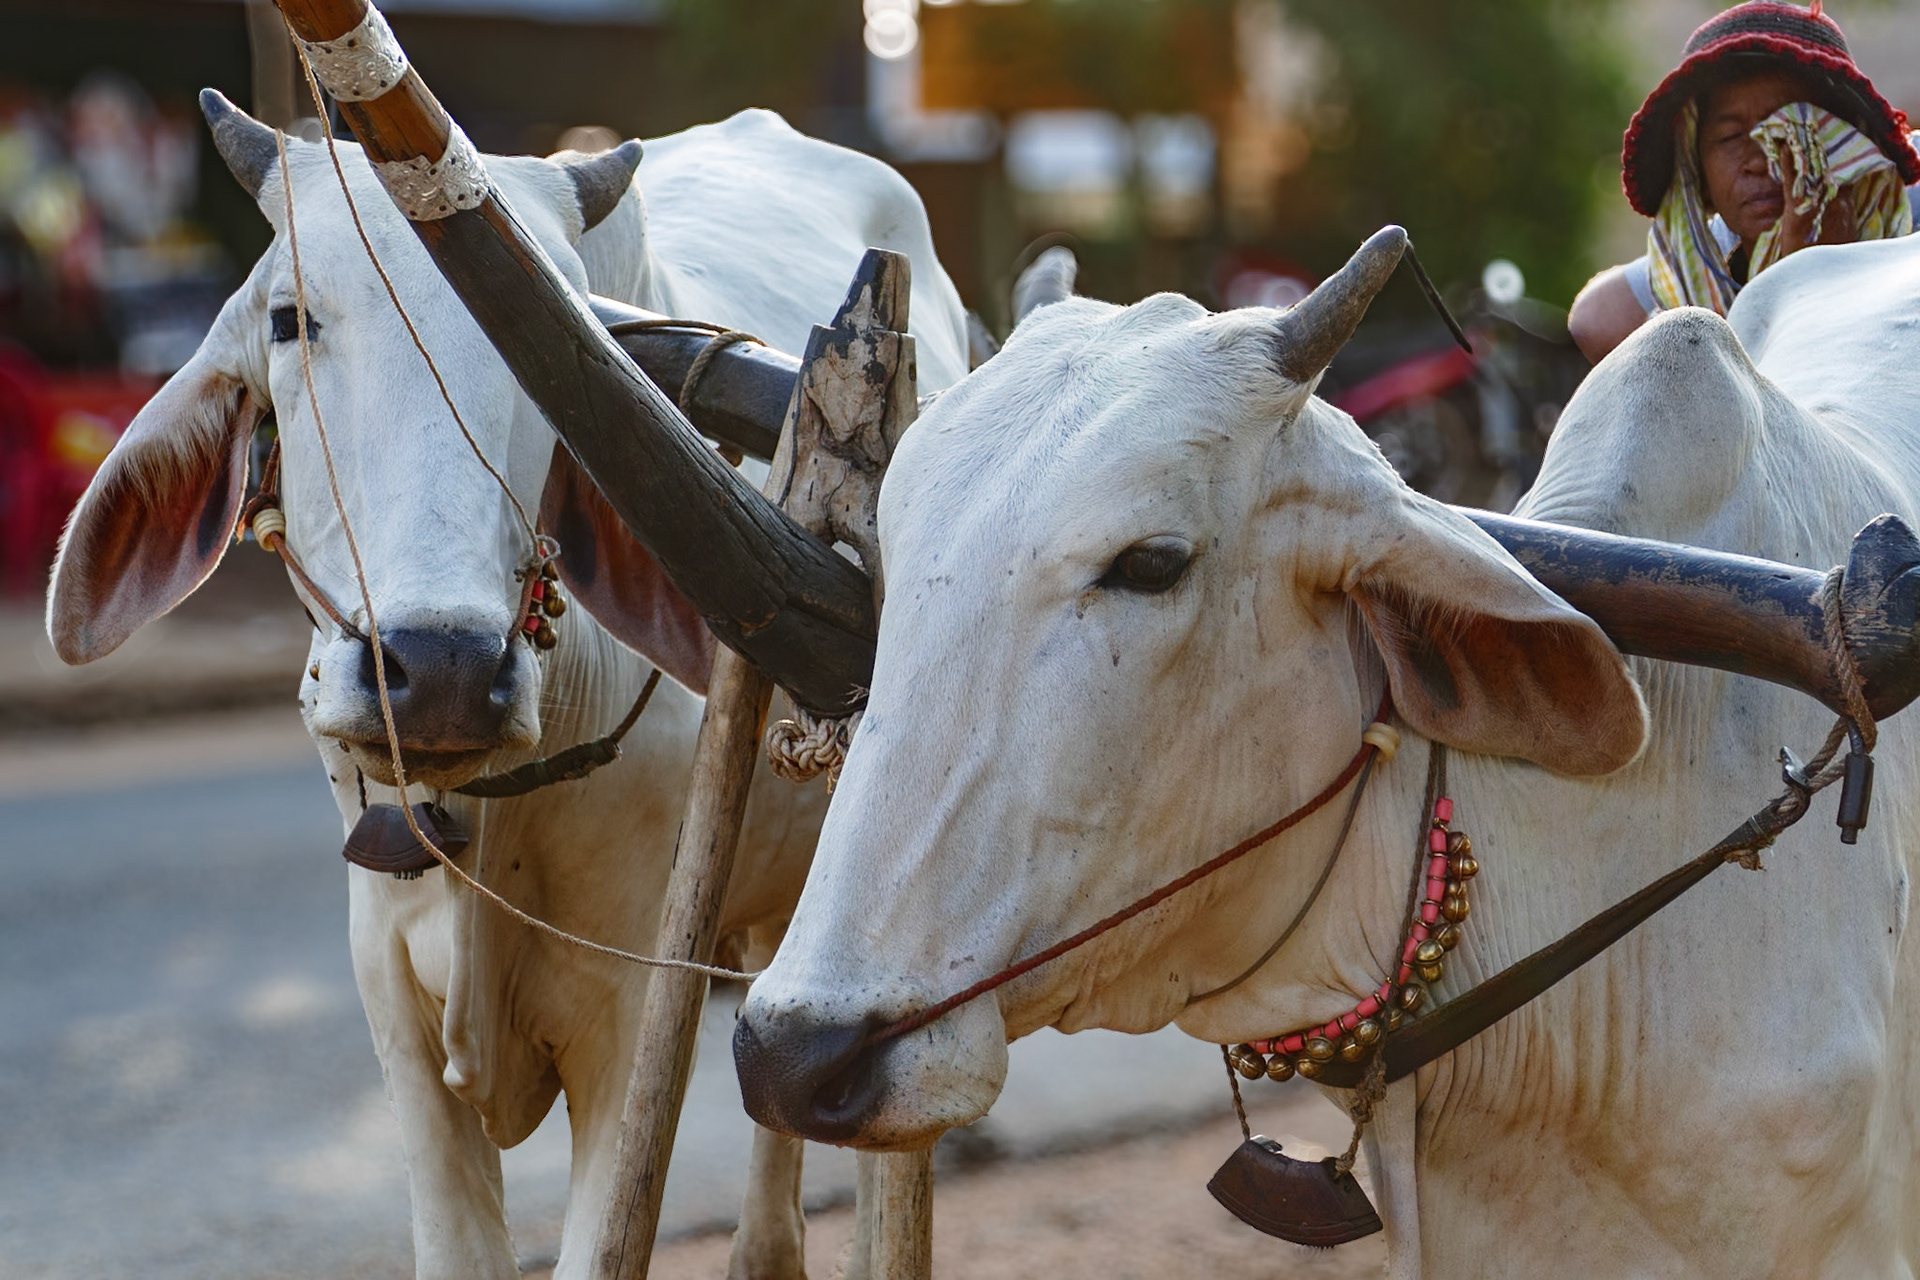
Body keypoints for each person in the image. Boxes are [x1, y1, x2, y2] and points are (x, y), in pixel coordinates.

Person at [1568, 1, 1920, 363]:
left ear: (1843, 144)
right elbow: (1595, 321)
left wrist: (1823, 271)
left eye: (1785, 129)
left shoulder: (1908, 252)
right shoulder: (1705, 279)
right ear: (1699, 180)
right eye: (1730, 137)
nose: (1756, 160)